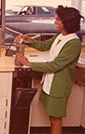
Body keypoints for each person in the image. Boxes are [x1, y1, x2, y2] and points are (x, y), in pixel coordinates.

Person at [14, 5, 83, 134]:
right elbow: (44, 45)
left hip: (59, 87)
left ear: (66, 23)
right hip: (50, 84)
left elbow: (55, 65)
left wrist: (29, 63)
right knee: (52, 117)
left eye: (58, 20)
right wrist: (28, 40)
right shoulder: (60, 35)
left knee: (56, 119)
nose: (54, 21)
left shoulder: (73, 43)